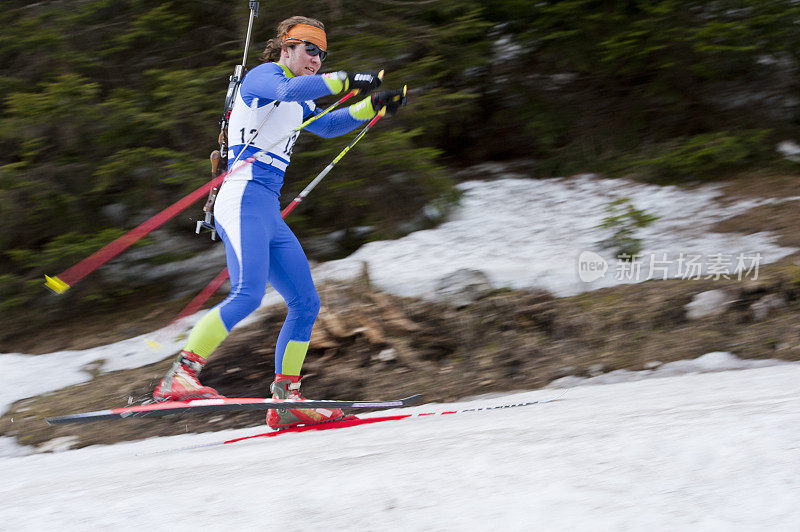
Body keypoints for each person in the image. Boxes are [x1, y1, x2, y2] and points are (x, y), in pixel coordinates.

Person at [153, 16, 406, 428]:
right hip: (241, 196)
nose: (317, 60)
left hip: (267, 206)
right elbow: (287, 89)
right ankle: (179, 375)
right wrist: (345, 80)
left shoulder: (301, 96)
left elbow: (327, 125)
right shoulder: (263, 77)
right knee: (248, 294)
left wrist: (372, 105)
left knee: (306, 304)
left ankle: (286, 398)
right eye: (310, 50)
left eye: (323, 55)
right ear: (286, 48)